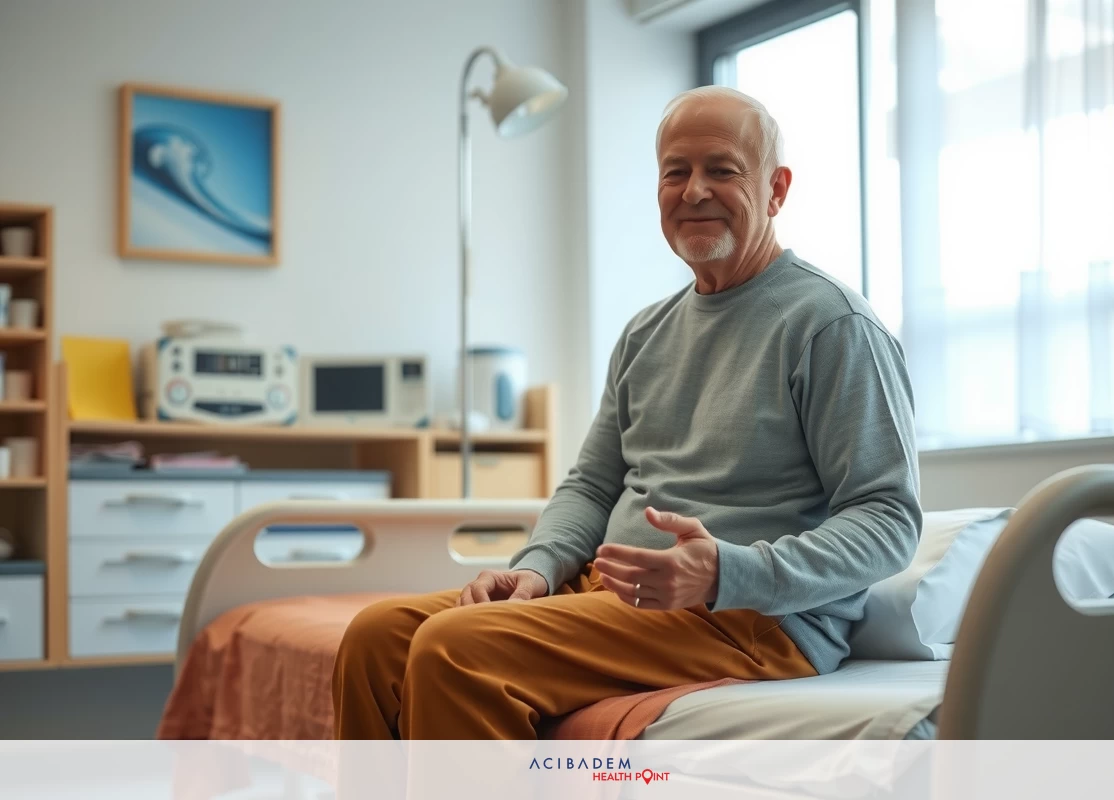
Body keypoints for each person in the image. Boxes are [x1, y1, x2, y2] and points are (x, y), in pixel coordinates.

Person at [332, 86, 922, 740]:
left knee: (456, 649)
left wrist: (727, 571)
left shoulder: (830, 325)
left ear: (777, 190)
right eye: (676, 171)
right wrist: (537, 566)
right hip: (614, 597)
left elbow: (888, 518)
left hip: (753, 620)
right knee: (374, 639)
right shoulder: (647, 333)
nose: (694, 190)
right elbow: (591, 483)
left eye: (722, 170)